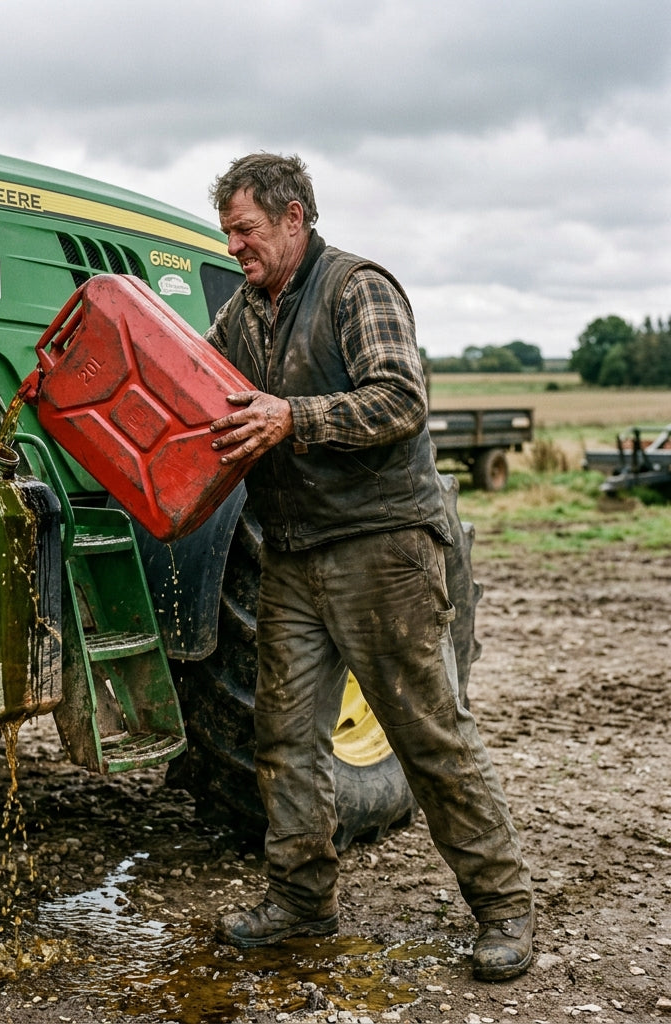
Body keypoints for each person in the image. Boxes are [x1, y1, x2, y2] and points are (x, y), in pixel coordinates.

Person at [204, 152, 534, 982]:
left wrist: (293, 417)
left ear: (294, 218)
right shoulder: (244, 312)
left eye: (245, 229)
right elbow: (196, 387)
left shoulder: (357, 287)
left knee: (427, 733)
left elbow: (400, 398)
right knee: (282, 739)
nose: (234, 246)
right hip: (295, 554)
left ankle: (505, 910)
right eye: (227, 233)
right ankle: (301, 901)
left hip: (381, 548)